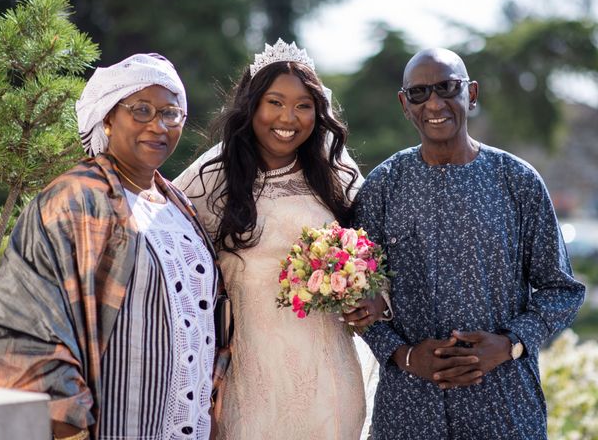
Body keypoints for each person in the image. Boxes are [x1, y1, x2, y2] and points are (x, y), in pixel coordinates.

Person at [0, 53, 220, 440]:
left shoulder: (178, 204)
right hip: (109, 427)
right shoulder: (75, 199)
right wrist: (64, 424)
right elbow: (25, 323)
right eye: (141, 110)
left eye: (170, 113)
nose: (157, 126)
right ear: (107, 117)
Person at [352, 47, 586, 439]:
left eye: (447, 88)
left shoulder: (517, 181)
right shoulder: (383, 187)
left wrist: (509, 344)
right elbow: (358, 298)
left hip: (506, 406)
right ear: (404, 104)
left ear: (471, 94)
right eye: (419, 93)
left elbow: (560, 289)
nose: (434, 104)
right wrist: (406, 356)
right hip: (409, 411)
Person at [174, 39, 389, 439]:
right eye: (275, 102)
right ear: (252, 105)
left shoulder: (336, 176)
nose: (288, 117)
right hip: (248, 379)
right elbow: (171, 253)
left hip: (330, 377)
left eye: (303, 105)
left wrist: (373, 295)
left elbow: (377, 257)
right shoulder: (211, 180)